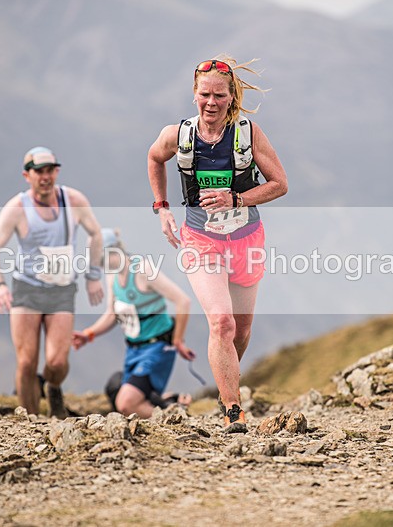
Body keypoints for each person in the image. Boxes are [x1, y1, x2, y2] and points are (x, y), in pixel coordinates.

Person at [146, 56, 288, 430]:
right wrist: (162, 208)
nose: (211, 102)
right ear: (194, 94)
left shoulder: (248, 134)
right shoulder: (178, 136)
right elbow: (154, 157)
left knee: (240, 332)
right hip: (200, 238)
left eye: (219, 96)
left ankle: (228, 382)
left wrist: (237, 199)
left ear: (231, 97)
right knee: (221, 323)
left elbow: (280, 184)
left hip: (246, 239)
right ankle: (232, 410)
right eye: (204, 94)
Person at [0, 146, 105, 419]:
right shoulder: (17, 208)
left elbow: (96, 234)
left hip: (62, 289)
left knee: (57, 362)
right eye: (39, 172)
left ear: (57, 171)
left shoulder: (74, 201)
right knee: (26, 362)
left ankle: (51, 386)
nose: (45, 177)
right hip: (26, 289)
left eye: (50, 170)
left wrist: (93, 277)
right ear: (28, 175)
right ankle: (31, 421)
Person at [72, 228, 195, 418]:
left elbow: (182, 301)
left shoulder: (142, 269)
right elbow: (112, 313)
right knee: (116, 391)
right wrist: (89, 334)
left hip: (157, 347)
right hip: (133, 350)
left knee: (125, 404)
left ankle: (176, 420)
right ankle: (169, 402)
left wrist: (178, 340)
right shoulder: (112, 274)